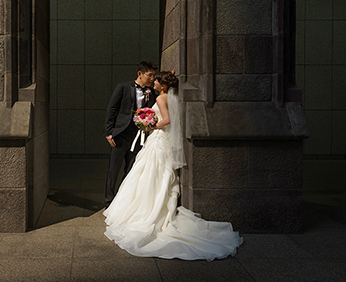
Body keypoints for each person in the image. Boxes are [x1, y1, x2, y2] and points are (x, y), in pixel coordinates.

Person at [104, 70, 243, 260]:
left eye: (157, 81)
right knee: (153, 173)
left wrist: (149, 126)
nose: (153, 83)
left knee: (147, 172)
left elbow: (167, 120)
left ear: (163, 85)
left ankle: (145, 209)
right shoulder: (169, 96)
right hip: (162, 140)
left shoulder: (161, 98)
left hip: (158, 138)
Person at [104, 60, 158, 209]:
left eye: (154, 76)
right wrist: (109, 132)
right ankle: (108, 202)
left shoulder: (151, 92)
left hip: (139, 136)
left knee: (131, 169)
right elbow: (112, 109)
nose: (152, 79)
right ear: (140, 73)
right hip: (120, 134)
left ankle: (123, 201)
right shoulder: (123, 87)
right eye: (150, 75)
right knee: (113, 170)